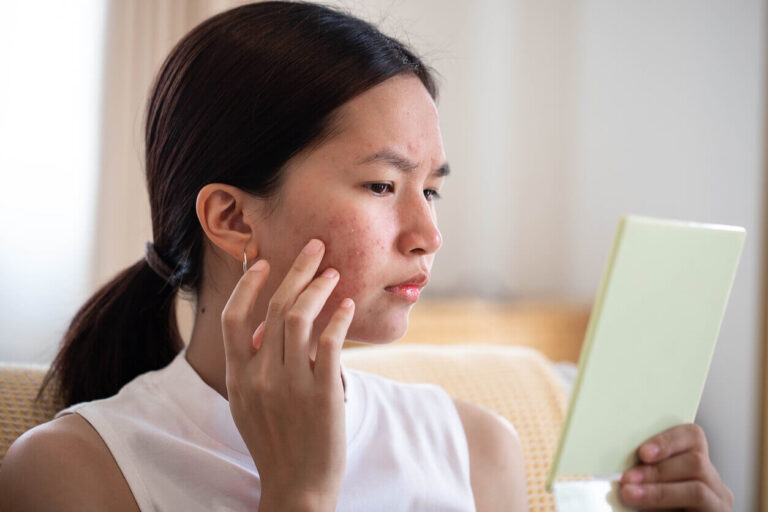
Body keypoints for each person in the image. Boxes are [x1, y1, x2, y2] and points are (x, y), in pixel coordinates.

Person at [0, 2, 733, 511]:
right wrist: (299, 495)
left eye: (432, 190)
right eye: (383, 185)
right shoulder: (73, 471)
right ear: (231, 217)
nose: (428, 234)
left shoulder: (477, 448)